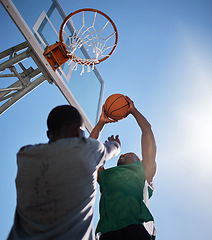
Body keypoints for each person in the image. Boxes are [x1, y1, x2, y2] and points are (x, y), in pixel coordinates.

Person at [7, 105, 120, 240]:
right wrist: (116, 144)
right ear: (78, 132)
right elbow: (112, 148)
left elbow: (81, 151)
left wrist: (100, 123)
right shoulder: (88, 150)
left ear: (49, 134)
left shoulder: (25, 155)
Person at [93, 97, 157, 240]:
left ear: (140, 161)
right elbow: (90, 153)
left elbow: (147, 131)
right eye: (123, 153)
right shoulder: (105, 176)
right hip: (107, 235)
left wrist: (133, 110)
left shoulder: (143, 173)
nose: (123, 154)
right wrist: (101, 122)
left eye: (130, 154)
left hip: (136, 230)